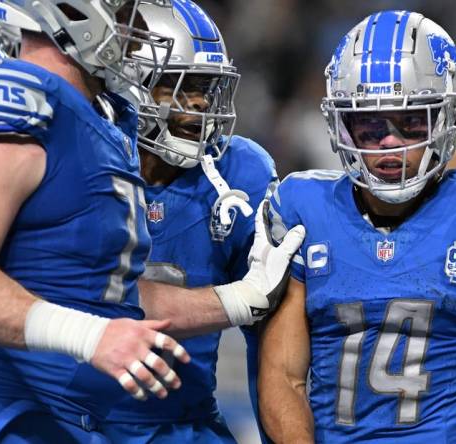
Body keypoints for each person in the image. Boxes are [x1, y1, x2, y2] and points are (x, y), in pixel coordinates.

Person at [258, 10, 456, 443]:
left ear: (448, 120)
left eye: (411, 121)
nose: (392, 143)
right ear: (340, 125)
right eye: (370, 125)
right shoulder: (303, 206)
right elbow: (283, 376)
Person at [0, 0, 191, 441]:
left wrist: (240, 300)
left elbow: (111, 291)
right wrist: (88, 336)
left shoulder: (100, 115)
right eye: (123, 16)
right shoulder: (23, 94)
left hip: (77, 417)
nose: (133, 32)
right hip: (17, 413)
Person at [99, 1, 281, 442]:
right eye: (177, 86)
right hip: (69, 419)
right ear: (128, 85)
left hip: (183, 424)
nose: (199, 102)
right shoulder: (81, 158)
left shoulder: (239, 175)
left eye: (205, 86)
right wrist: (237, 300)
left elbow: (275, 339)